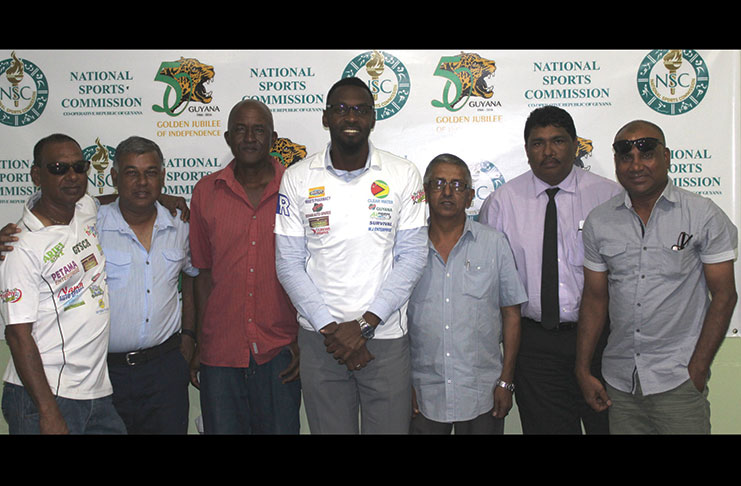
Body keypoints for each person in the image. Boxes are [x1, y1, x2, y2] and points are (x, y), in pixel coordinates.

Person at [275, 77, 428, 434]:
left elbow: (413, 258)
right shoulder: (297, 178)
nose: (351, 117)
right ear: (326, 117)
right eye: (341, 109)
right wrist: (333, 331)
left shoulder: (402, 174)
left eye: (360, 110)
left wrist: (364, 325)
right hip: (320, 342)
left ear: (373, 119)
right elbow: (288, 263)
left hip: (385, 339)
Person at [575, 120, 738, 434]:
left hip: (678, 380)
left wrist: (699, 367)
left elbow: (725, 295)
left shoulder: (702, 214)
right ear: (616, 162)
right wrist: (582, 368)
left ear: (666, 156)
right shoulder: (600, 221)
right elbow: (594, 300)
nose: (636, 164)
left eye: (646, 152)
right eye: (625, 155)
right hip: (620, 383)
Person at [479, 105, 621, 434]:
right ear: (527, 150)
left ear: (575, 144)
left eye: (557, 141)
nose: (548, 151)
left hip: (602, 340)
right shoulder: (502, 202)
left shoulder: (609, 197)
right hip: (535, 346)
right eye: (538, 143)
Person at [0, 133, 126, 434]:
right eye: (58, 168)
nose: (72, 176)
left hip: (95, 392)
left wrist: (164, 197)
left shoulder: (85, 209)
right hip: (45, 396)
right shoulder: (21, 246)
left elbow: (111, 199)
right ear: (36, 175)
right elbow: (17, 335)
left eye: (79, 167)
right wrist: (48, 412)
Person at [188, 99, 301, 434]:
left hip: (281, 351)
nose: (249, 137)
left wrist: (305, 340)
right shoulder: (205, 192)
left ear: (273, 137)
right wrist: (198, 343)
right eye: (240, 129)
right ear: (227, 137)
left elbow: (314, 272)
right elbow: (203, 275)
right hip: (220, 353)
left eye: (258, 130)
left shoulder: (298, 189)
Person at [407, 154, 526, 434]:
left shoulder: (494, 243)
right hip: (423, 393)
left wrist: (506, 381)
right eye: (438, 183)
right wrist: (404, 384)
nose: (448, 192)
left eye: (457, 185)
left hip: (482, 392)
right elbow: (396, 322)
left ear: (470, 196)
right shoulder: (407, 248)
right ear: (425, 193)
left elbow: (511, 315)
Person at [95, 136, 198, 434]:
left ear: (163, 177)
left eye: (151, 173)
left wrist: (190, 335)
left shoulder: (181, 223)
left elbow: (193, 277)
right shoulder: (91, 223)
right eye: (131, 173)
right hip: (104, 371)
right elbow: (54, 203)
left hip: (165, 368)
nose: (142, 182)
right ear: (114, 177)